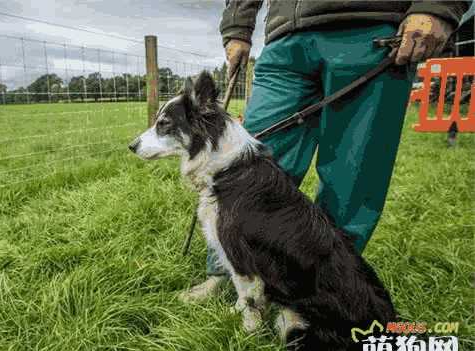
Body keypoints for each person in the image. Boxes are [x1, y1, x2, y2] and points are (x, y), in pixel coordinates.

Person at [180, 0, 470, 303]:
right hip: (285, 40)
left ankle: (319, 291)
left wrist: (438, 6)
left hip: (375, 31)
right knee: (240, 173)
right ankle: (227, 274)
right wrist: (237, 27)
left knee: (352, 177)